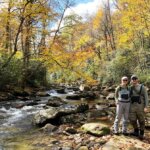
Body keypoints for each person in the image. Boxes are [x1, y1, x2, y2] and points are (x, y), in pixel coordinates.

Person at [129, 75, 149, 140]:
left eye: (135, 79)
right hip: (132, 106)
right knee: (132, 119)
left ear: (137, 79)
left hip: (140, 106)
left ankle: (142, 133)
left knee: (141, 120)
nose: (134, 80)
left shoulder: (142, 87)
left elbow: (146, 97)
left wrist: (146, 107)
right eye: (132, 79)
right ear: (131, 80)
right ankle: (136, 131)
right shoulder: (130, 87)